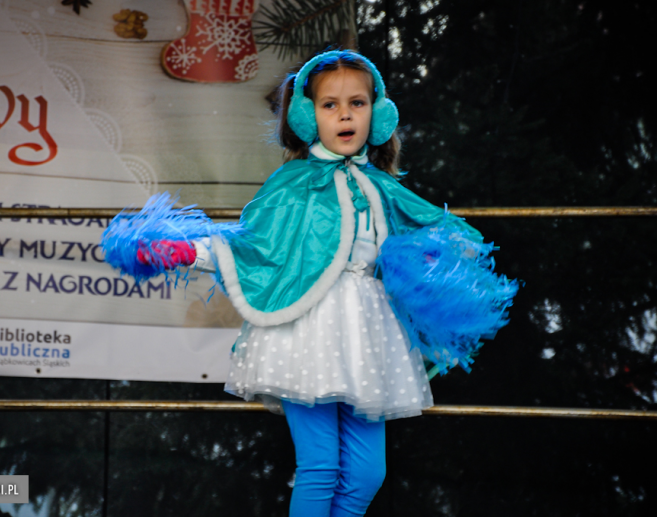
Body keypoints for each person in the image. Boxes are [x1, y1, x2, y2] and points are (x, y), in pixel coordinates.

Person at [103, 49, 515, 517]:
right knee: (320, 465)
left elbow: (425, 234)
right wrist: (181, 251)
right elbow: (253, 248)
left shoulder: (383, 186)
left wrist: (449, 257)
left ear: (377, 116)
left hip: (369, 336)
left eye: (357, 103)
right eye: (329, 105)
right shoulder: (291, 184)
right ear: (306, 115)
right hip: (305, 329)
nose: (344, 114)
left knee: (366, 475)